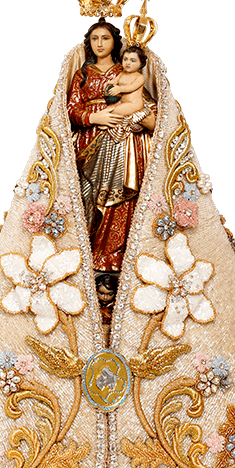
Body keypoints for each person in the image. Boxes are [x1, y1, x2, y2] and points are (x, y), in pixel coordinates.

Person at [66, 19, 156, 317]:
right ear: (88, 42)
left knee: (119, 201)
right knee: (87, 200)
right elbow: (70, 109)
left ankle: (113, 257)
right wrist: (95, 117)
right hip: (88, 142)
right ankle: (88, 254)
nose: (100, 44)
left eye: (105, 38)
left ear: (115, 42)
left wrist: (135, 119)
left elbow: (147, 106)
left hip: (122, 145)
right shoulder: (82, 73)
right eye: (95, 38)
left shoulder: (126, 70)